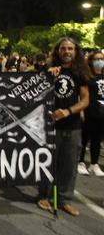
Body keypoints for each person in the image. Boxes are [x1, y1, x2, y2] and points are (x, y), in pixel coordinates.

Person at [37, 37, 91, 216]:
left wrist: (68, 111)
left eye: (70, 48)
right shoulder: (48, 69)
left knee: (69, 165)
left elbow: (85, 100)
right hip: (49, 126)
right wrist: (47, 76)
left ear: (76, 52)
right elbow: (34, 92)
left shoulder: (80, 72)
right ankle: (44, 196)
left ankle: (64, 199)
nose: (67, 51)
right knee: (47, 163)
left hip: (72, 125)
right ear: (57, 51)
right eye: (63, 49)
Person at [77, 51, 104, 176]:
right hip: (89, 111)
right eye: (96, 59)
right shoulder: (87, 76)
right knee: (84, 138)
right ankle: (80, 162)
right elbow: (81, 95)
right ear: (91, 61)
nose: (99, 61)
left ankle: (94, 163)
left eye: (101, 59)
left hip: (101, 113)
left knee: (96, 140)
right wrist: (81, 111)